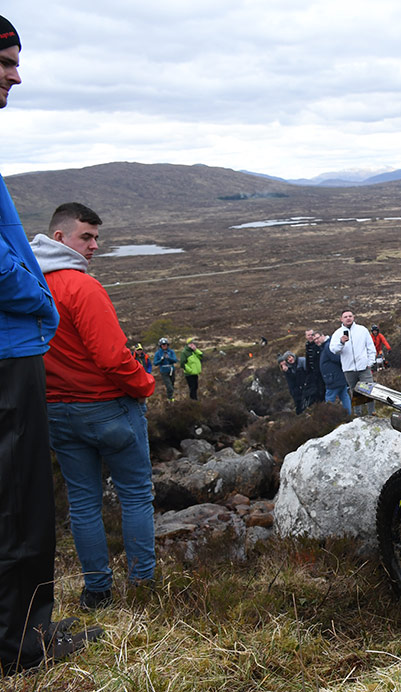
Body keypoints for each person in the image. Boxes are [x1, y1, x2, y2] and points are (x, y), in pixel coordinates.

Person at [0, 19, 102, 675]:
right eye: (6, 60)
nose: (15, 74)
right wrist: (37, 300)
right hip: (8, 351)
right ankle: (22, 645)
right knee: (21, 501)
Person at [29, 203, 156, 615]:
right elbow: (113, 357)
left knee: (83, 502)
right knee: (135, 496)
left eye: (97, 238)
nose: (95, 246)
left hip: (56, 411)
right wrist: (145, 385)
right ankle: (142, 586)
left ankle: (97, 592)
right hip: (108, 410)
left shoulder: (26, 283)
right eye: (87, 237)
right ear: (60, 238)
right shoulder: (81, 287)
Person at [329, 311, 376, 415]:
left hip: (364, 367)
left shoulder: (362, 330)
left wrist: (370, 362)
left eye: (350, 316)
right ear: (341, 319)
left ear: (353, 317)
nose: (348, 318)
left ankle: (371, 412)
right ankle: (358, 414)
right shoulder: (337, 333)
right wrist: (341, 342)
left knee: (369, 389)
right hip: (349, 368)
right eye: (345, 317)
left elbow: (370, 347)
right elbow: (333, 350)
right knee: (355, 391)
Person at [318, 332, 352, 413]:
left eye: (317, 338)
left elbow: (336, 358)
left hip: (333, 379)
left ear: (322, 336)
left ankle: (329, 417)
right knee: (344, 396)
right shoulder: (327, 345)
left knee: (330, 399)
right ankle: (348, 415)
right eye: (314, 339)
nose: (316, 340)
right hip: (338, 377)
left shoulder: (328, 345)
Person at [303, 329, 326, 407]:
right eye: (308, 335)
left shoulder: (317, 345)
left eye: (311, 335)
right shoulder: (307, 346)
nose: (310, 337)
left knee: (322, 391)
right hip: (313, 374)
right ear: (306, 337)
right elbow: (308, 361)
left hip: (321, 373)